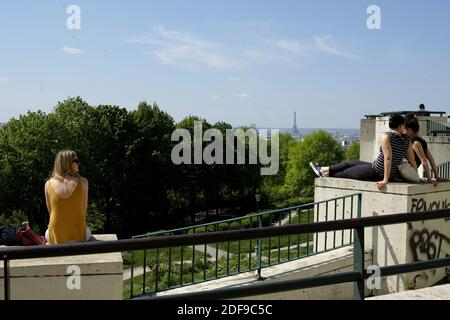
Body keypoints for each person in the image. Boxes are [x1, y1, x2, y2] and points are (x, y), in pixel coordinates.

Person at [310, 114, 418, 191]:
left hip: (377, 172)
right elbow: (412, 159)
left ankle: (323, 173)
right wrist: (416, 176)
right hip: (385, 171)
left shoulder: (386, 136)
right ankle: (323, 169)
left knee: (347, 172)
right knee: (351, 162)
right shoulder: (406, 140)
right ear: (400, 126)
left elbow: (388, 158)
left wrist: (385, 180)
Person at [45, 150, 91, 244]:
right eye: (76, 161)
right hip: (79, 234)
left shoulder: (48, 184)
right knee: (88, 232)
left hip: (56, 236)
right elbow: (83, 209)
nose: (78, 163)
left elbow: (51, 212)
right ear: (68, 164)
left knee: (47, 232)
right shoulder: (83, 182)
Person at [404, 114, 440, 185]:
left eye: (405, 130)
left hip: (407, 173)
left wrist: (429, 179)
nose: (404, 132)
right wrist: (437, 176)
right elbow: (431, 159)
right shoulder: (422, 141)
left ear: (410, 130)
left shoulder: (415, 143)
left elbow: (424, 161)